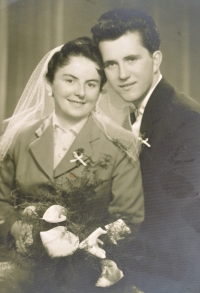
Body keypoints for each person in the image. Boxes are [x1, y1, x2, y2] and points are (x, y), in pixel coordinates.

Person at [0, 37, 144, 293]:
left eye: (91, 84)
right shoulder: (21, 137)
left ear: (101, 91)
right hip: (21, 267)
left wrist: (84, 245)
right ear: (49, 84)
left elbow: (129, 217)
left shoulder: (120, 144)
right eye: (70, 80)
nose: (80, 92)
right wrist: (13, 224)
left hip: (87, 271)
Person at [91, 8, 200, 293]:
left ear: (155, 60)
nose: (122, 75)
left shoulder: (188, 119)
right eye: (111, 64)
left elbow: (184, 226)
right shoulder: (129, 115)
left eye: (131, 59)